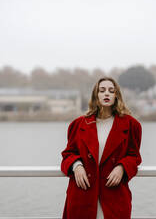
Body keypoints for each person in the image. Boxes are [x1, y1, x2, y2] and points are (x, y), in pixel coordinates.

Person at [61, 77, 142, 219]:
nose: (106, 94)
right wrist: (77, 166)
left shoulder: (131, 125)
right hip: (82, 196)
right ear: (96, 95)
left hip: (115, 197)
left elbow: (134, 156)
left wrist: (122, 167)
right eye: (102, 90)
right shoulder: (78, 124)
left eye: (111, 91)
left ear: (116, 95)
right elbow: (68, 154)